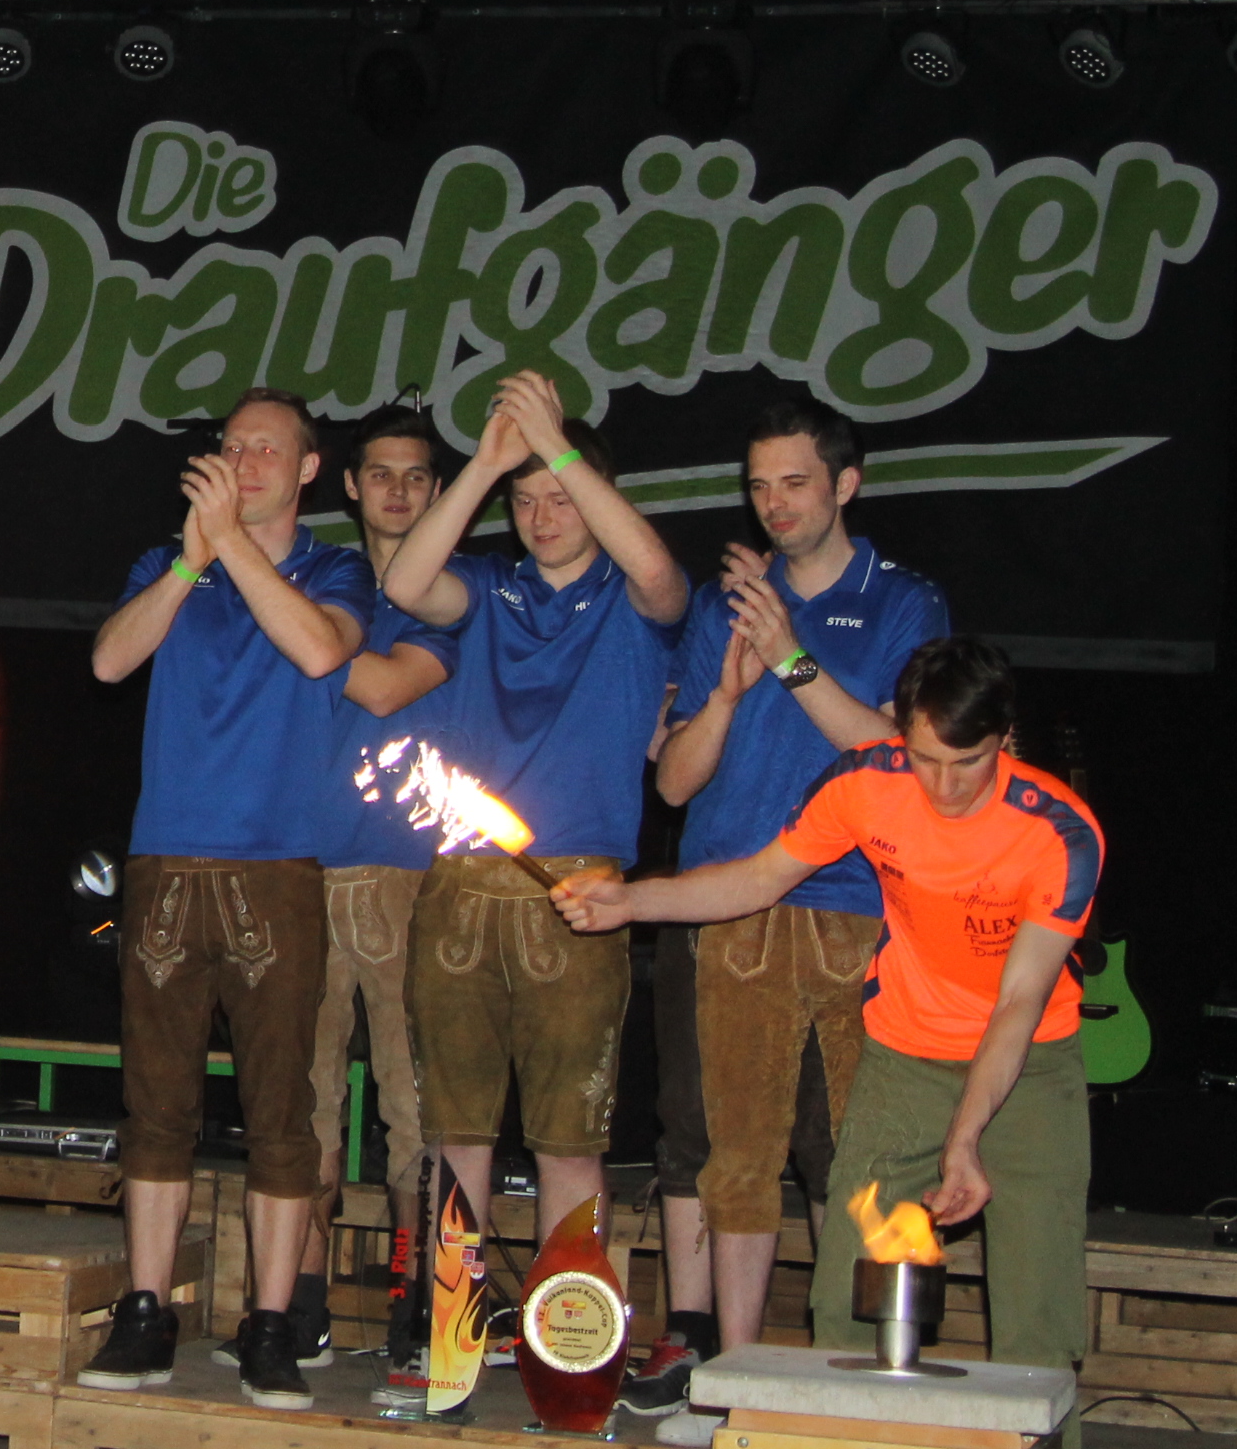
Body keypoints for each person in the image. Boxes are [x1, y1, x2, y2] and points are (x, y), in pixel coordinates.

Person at [555, 638, 1099, 1434]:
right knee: (847, 1284)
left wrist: (965, 1139)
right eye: (925, 760)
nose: (945, 786)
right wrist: (632, 902)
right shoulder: (865, 782)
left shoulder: (1059, 833)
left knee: (1038, 1317)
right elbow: (759, 878)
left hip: (1030, 1068)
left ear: (1005, 738)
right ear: (899, 736)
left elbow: (1017, 1003)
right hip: (903, 1056)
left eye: (968, 763)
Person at [630, 399, 949, 1406]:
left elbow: (903, 752)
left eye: (795, 482)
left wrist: (790, 655)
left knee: (841, 1147)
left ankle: (847, 1363)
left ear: (846, 484)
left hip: (855, 904)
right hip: (723, 900)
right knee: (709, 1138)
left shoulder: (904, 601)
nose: (773, 503)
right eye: (759, 485)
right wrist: (727, 691)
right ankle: (716, 1361)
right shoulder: (724, 607)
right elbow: (672, 783)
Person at [79, 391, 372, 1408]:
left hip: (277, 866)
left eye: (265, 449)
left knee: (281, 1111)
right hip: (165, 857)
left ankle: (270, 1322)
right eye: (231, 445)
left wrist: (230, 544)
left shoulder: (334, 569)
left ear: (307, 469)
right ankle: (146, 1312)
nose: (242, 461)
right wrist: (189, 559)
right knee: (155, 1106)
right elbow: (109, 659)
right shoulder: (173, 561)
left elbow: (321, 650)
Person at [380, 371, 686, 1268]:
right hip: (463, 881)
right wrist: (485, 465)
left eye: (561, 497)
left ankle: (566, 1334)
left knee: (569, 1138)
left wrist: (554, 444)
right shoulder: (488, 585)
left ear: (597, 495)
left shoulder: (633, 600)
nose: (542, 516)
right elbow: (404, 584)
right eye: (525, 502)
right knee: (457, 1134)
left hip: (578, 884)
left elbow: (661, 576)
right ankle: (453, 1329)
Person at [298, 405, 457, 1379]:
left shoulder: (454, 594)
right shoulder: (318, 580)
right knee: (303, 1099)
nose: (397, 490)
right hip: (303, 865)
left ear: (437, 491)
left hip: (410, 869)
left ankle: (417, 1301)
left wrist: (292, 633)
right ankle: (302, 1302)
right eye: (381, 473)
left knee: (415, 1100)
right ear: (349, 483)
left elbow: (388, 687)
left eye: (416, 476)